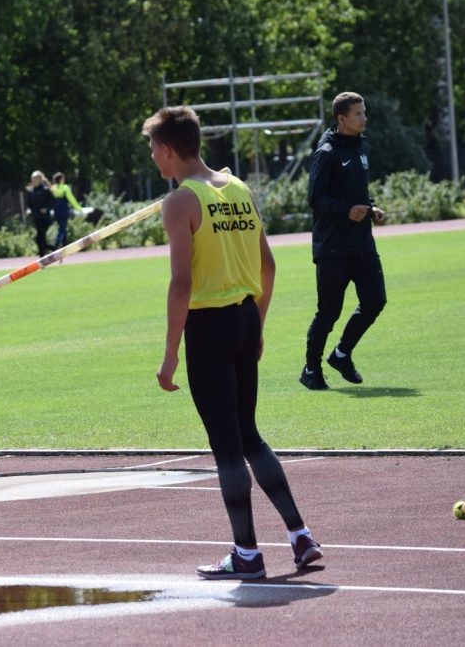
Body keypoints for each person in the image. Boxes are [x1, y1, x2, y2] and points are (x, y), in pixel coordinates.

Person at [143, 106, 322, 579]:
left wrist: (168, 357)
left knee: (226, 447)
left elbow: (181, 284)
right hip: (245, 317)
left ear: (166, 149)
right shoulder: (238, 187)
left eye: (151, 150)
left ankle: (246, 553)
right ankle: (299, 536)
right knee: (249, 435)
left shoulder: (181, 201)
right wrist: (258, 326)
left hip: (210, 325)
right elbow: (269, 266)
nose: (152, 159)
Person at [299, 92, 387, 391]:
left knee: (375, 301)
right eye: (358, 114)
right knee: (329, 312)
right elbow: (315, 198)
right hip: (333, 247)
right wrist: (346, 210)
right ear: (342, 119)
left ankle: (341, 354)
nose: (364, 118)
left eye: (364, 112)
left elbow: (356, 190)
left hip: (362, 243)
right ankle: (311, 369)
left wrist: (370, 206)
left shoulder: (362, 144)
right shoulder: (326, 152)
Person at [50, 171, 83, 250]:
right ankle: (56, 244)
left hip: (56, 212)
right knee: (62, 229)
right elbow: (71, 199)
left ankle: (65, 246)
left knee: (62, 227)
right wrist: (78, 208)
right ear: (61, 179)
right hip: (64, 211)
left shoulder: (52, 188)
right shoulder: (65, 187)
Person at [25, 170, 54, 255]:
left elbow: (52, 201)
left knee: (40, 238)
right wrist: (29, 209)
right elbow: (30, 203)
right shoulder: (31, 191)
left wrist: (46, 208)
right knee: (40, 239)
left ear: (39, 179)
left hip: (45, 218)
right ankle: (54, 250)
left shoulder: (45, 190)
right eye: (32, 178)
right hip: (36, 218)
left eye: (34, 178)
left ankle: (42, 258)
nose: (33, 180)